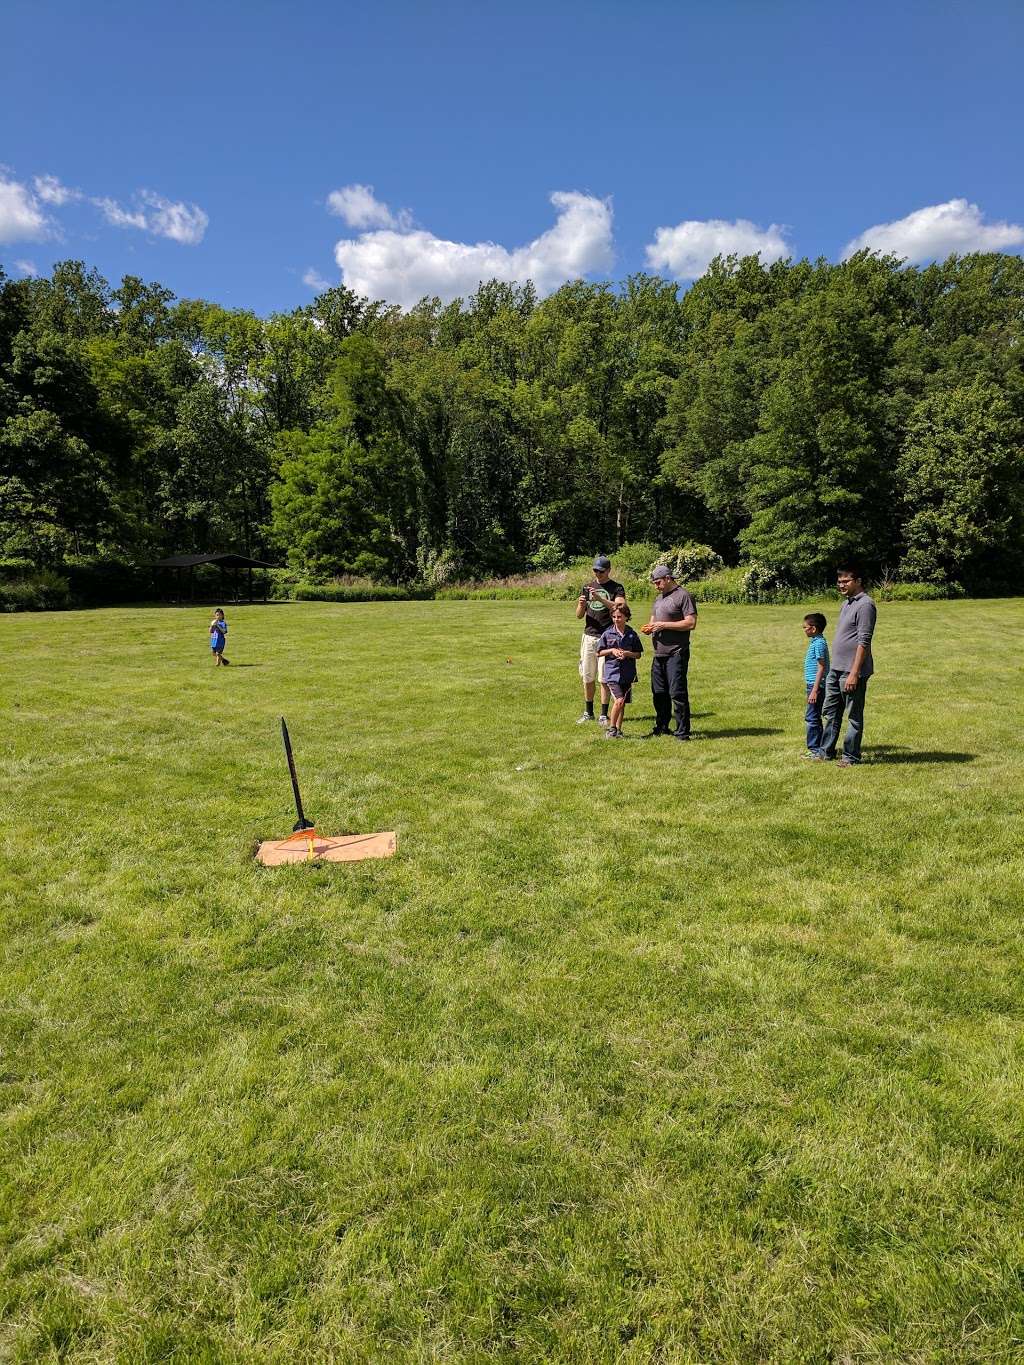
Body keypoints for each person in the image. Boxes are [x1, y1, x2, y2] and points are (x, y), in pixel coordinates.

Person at [815, 566, 876, 766]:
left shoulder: (865, 605)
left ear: (858, 581)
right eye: (839, 581)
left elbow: (863, 641)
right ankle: (826, 752)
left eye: (846, 581)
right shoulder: (846, 604)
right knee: (831, 712)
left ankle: (850, 757)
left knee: (853, 716)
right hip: (836, 669)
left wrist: (855, 673)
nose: (841, 585)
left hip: (851, 671)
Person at [640, 566, 697, 740]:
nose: (656, 586)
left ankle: (682, 732)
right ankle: (662, 726)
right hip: (659, 654)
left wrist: (664, 625)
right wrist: (649, 628)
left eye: (658, 582)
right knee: (659, 692)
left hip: (676, 652)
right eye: (655, 583)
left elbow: (691, 623)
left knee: (677, 693)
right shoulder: (659, 599)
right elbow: (654, 620)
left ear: (668, 578)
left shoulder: (683, 596)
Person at [575, 555, 626, 725]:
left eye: (601, 571)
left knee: (604, 677)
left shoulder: (616, 588)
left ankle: (604, 715)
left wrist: (599, 599)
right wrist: (581, 605)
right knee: (587, 676)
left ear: (609, 570)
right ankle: (588, 712)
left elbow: (619, 607)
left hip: (608, 636)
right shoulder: (587, 586)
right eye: (595, 570)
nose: (598, 574)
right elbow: (578, 615)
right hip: (589, 635)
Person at [596, 604, 644, 739]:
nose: (616, 619)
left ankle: (618, 730)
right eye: (614, 617)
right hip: (612, 673)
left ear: (626, 617)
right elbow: (599, 652)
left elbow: (638, 654)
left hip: (627, 674)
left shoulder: (632, 634)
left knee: (622, 704)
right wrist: (611, 650)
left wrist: (627, 653)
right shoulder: (607, 633)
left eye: (619, 617)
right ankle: (611, 729)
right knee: (619, 700)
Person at [801, 613, 829, 757]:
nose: (803, 629)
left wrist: (815, 690)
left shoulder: (818, 644)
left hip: (816, 686)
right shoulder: (816, 641)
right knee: (814, 716)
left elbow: (821, 667)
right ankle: (818, 748)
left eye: (805, 627)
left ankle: (815, 749)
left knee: (812, 717)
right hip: (813, 685)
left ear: (813, 629)